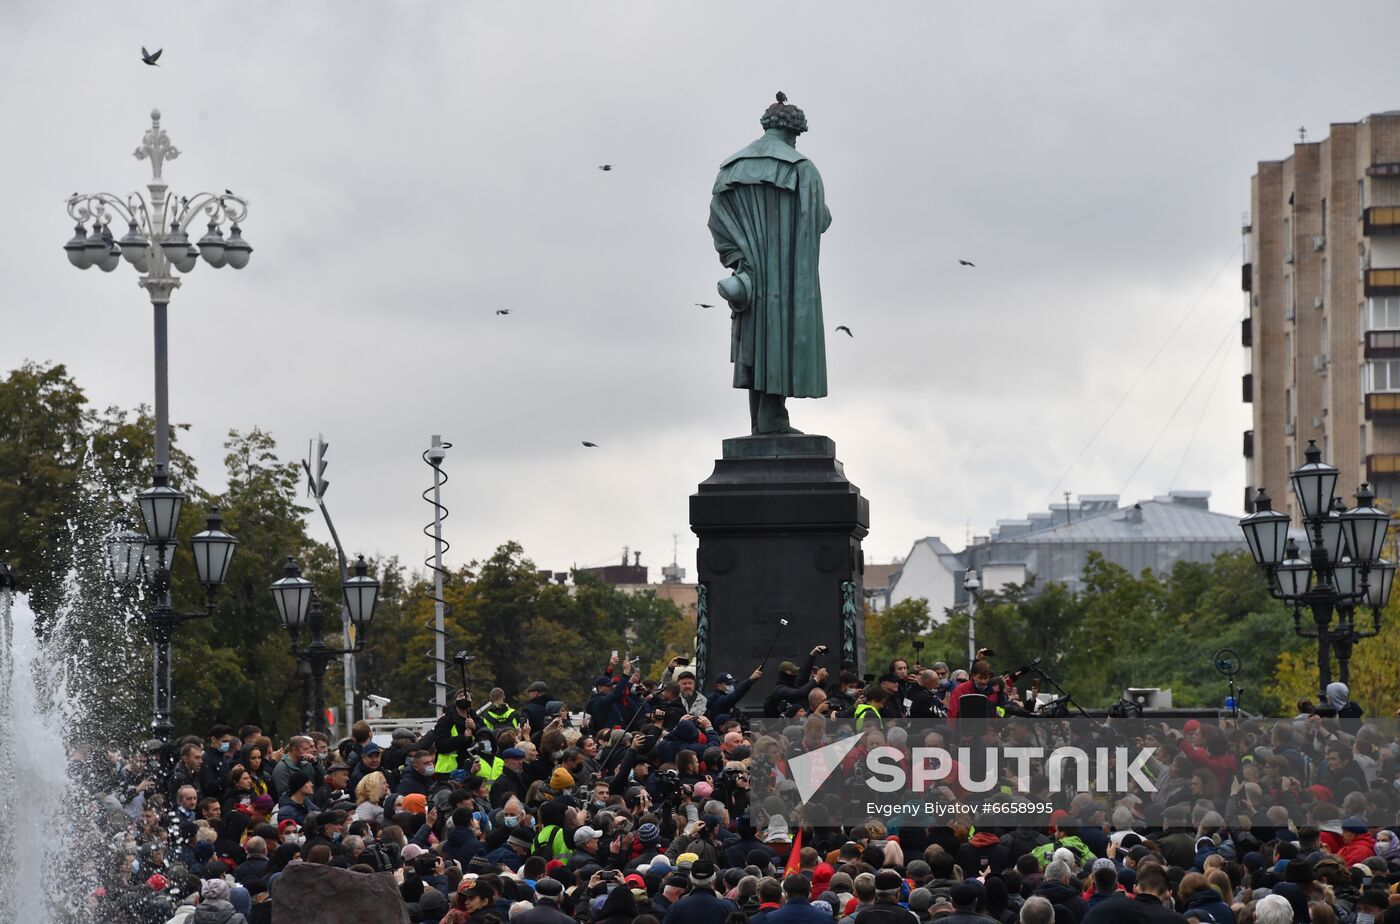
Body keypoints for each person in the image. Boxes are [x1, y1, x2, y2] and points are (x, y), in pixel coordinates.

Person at [709, 92, 832, 435]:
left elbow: (717, 221)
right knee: (778, 340)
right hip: (789, 277)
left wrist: (737, 260)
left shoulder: (730, 169)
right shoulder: (802, 170)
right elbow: (816, 222)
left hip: (750, 277)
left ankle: (764, 422)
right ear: (795, 133)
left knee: (758, 343)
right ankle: (772, 420)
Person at [434, 691, 481, 777]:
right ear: (455, 701)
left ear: (471, 702)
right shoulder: (445, 720)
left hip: (472, 770)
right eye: (460, 695)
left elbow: (487, 737)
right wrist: (463, 737)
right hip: (449, 773)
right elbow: (440, 745)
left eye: (466, 696)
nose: (463, 697)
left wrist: (475, 727)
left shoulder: (476, 719)